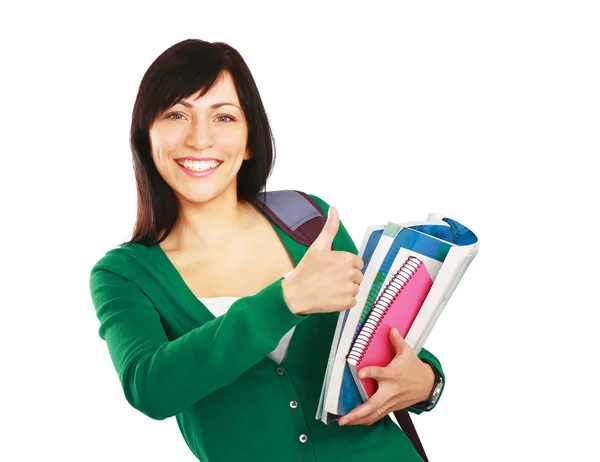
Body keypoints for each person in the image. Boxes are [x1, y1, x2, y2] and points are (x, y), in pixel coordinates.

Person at [89, 38, 445, 462]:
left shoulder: (307, 219)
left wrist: (425, 382)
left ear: (250, 140)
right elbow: (151, 389)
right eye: (177, 114)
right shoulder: (125, 274)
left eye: (223, 116)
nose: (200, 138)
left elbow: (385, 339)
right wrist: (285, 299)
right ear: (146, 136)